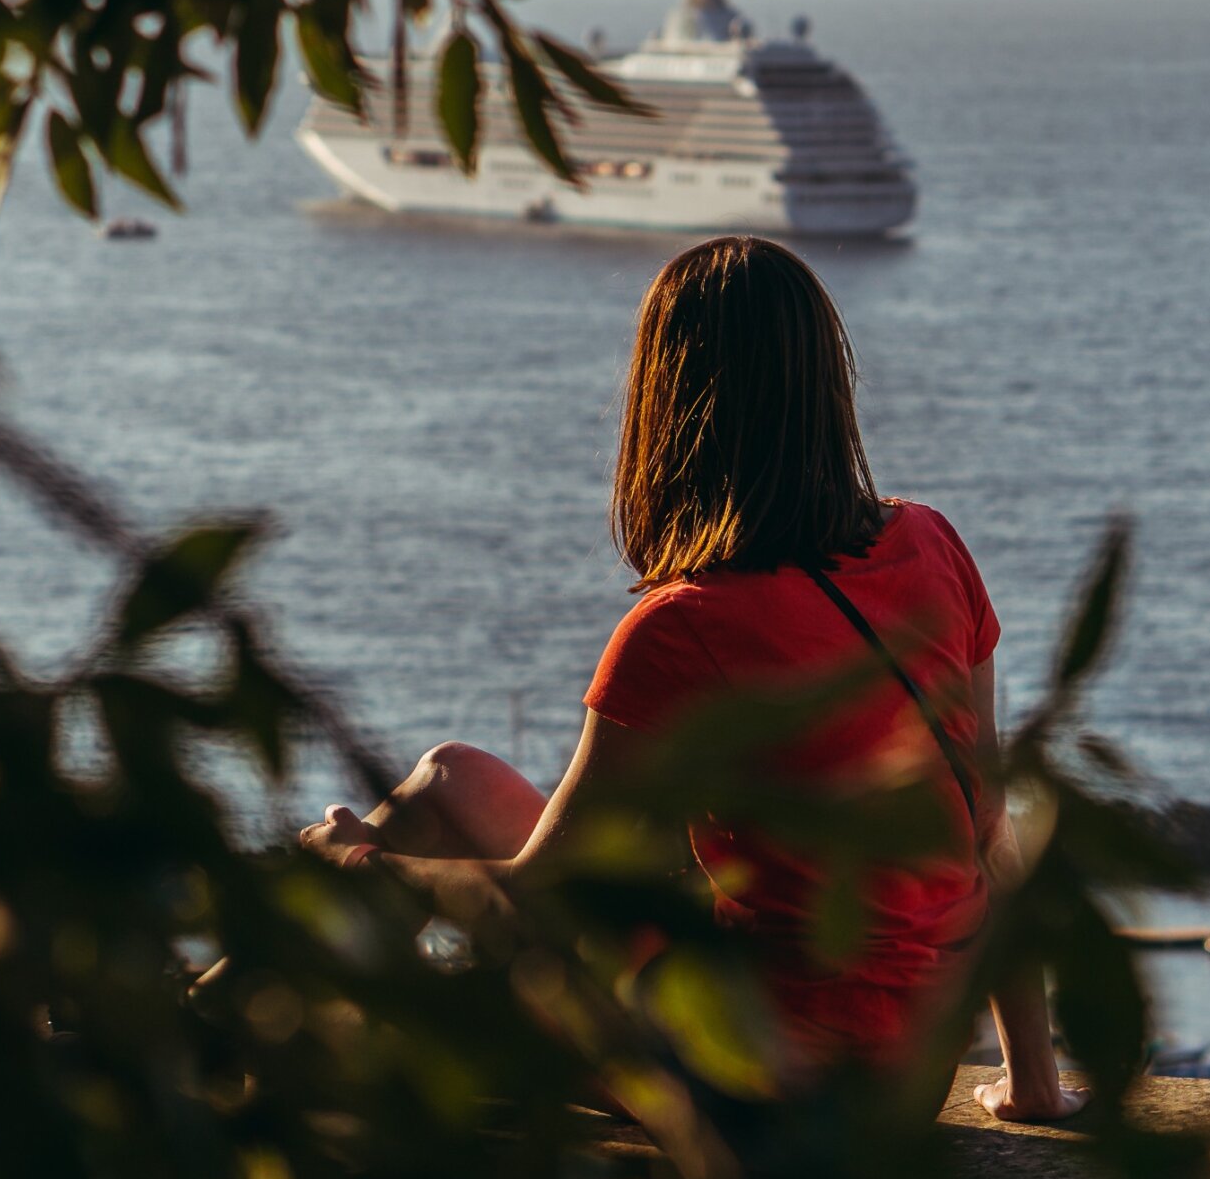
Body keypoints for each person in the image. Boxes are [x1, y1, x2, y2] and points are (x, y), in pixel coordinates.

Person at [297, 236, 1082, 1123]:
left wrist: (364, 863)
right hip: (907, 1068)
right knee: (453, 778)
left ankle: (219, 1033)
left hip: (782, 1085)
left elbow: (535, 900)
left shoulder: (682, 628)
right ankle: (213, 1007)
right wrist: (1036, 1086)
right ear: (829, 385)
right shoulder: (930, 544)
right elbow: (988, 828)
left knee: (405, 1020)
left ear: (670, 406)